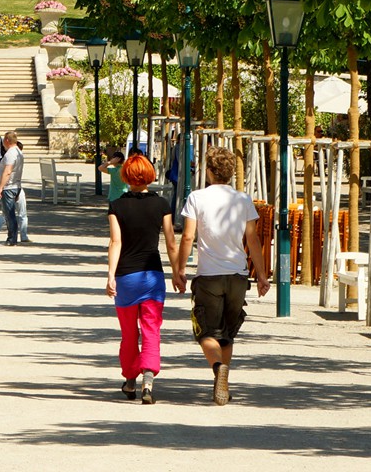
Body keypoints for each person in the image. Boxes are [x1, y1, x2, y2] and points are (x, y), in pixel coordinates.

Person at [173, 147, 269, 405]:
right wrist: (261, 275)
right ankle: (222, 386)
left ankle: (218, 369)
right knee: (226, 332)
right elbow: (253, 238)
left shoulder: (196, 198)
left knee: (205, 333)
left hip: (209, 276)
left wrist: (180, 270)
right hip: (238, 275)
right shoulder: (243, 199)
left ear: (210, 171)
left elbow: (189, 237)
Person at [106, 153, 175, 403]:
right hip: (153, 276)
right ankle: (148, 378)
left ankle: (129, 380)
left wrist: (110, 275)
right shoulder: (162, 205)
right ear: (149, 174)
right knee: (151, 328)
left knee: (128, 333)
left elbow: (116, 242)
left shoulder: (117, 206)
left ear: (125, 176)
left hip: (126, 277)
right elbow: (170, 242)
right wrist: (177, 271)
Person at [0, 131, 27, 245]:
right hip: (15, 185)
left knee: (9, 214)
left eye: (3, 140)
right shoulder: (18, 152)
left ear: (7, 140)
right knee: (10, 214)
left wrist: (1, 187)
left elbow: (8, 171)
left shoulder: (11, 153)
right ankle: (13, 238)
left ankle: (11, 239)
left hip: (9, 187)